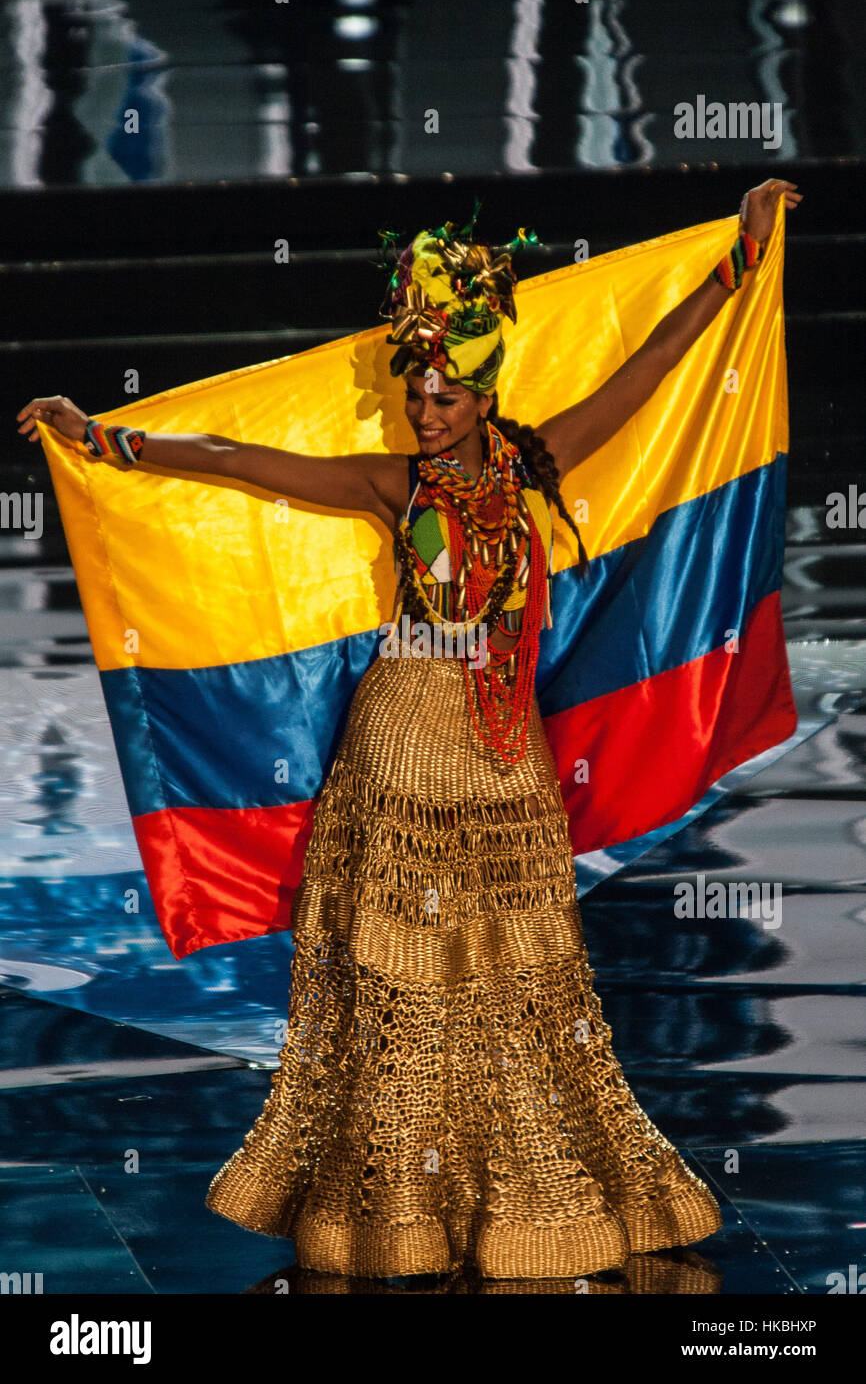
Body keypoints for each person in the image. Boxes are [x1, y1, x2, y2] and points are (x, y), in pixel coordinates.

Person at [17, 178, 802, 1282]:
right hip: (398, 739)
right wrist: (106, 437)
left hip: (503, 754)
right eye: (415, 391)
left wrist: (738, 259)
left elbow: (649, 371)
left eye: (442, 394)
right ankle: (393, 1208)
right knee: (396, 989)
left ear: (479, 393)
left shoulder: (539, 464)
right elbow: (246, 464)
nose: (425, 409)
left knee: (522, 982)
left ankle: (512, 1196)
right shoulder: (394, 484)